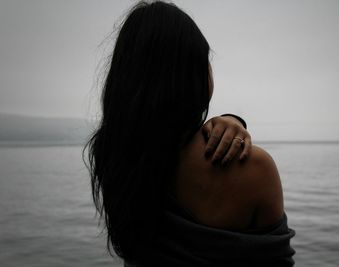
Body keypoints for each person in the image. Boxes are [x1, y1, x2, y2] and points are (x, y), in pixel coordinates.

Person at [84, 1, 295, 266]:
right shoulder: (254, 168)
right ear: (188, 72)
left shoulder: (112, 157)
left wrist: (231, 119)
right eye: (205, 60)